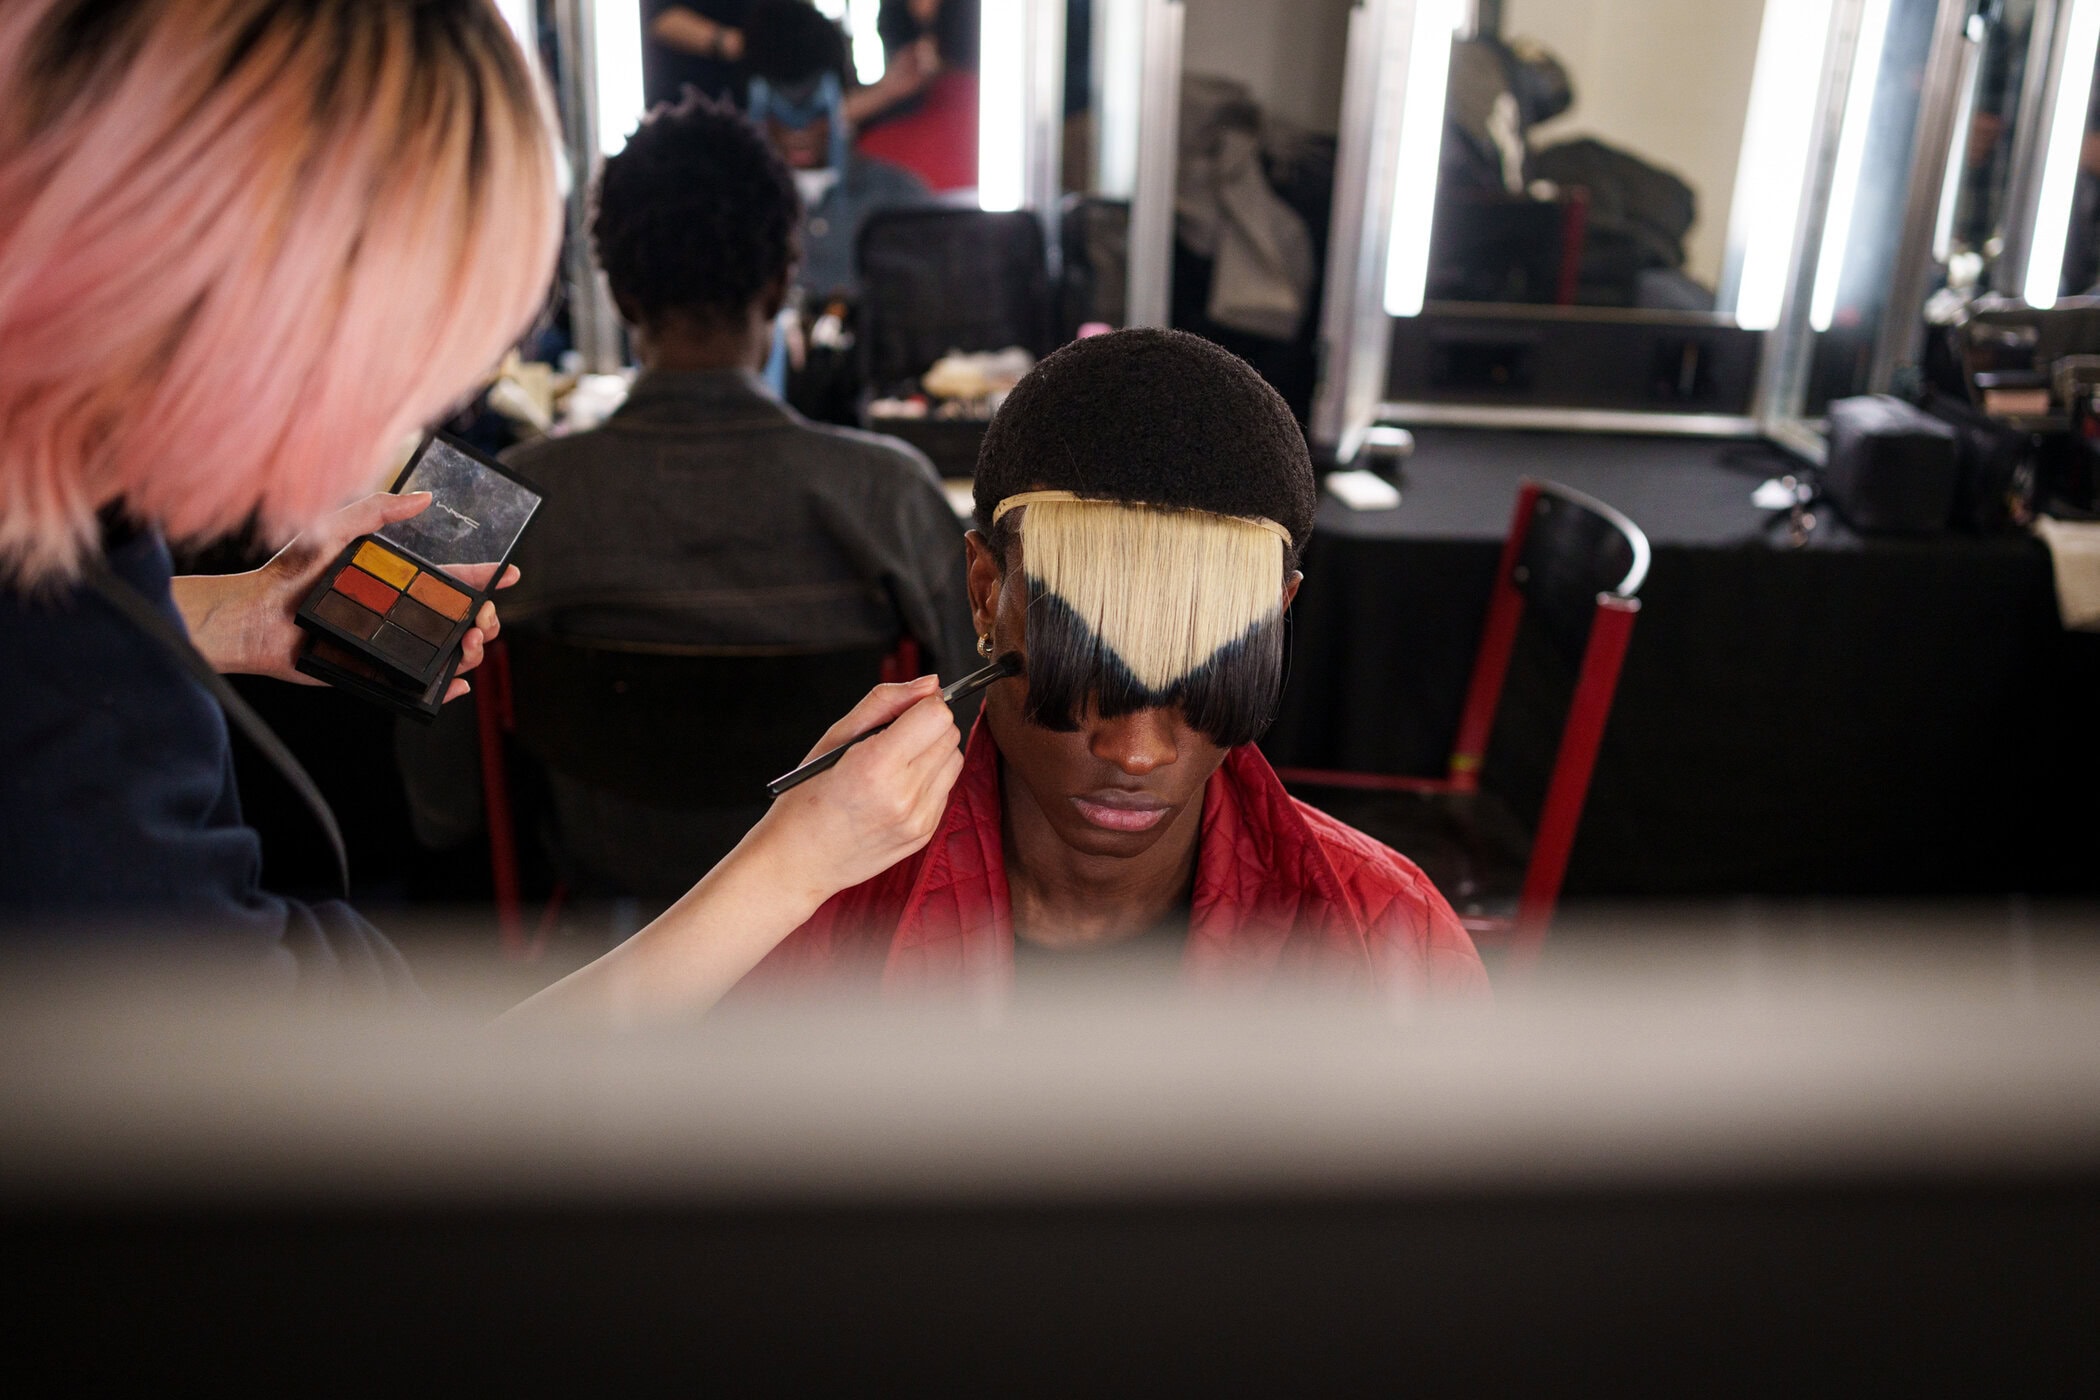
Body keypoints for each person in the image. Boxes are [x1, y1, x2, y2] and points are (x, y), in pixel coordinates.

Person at [0, 0, 962, 1022]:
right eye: (409, 351)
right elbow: (360, 1106)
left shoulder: (83, 581)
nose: (400, 414)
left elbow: (444, 803)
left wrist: (230, 612)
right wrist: (798, 856)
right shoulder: (72, 745)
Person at [753, 330, 1490, 1000]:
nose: (1136, 754)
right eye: (1085, 674)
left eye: (1201, 677)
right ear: (985, 593)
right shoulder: (808, 916)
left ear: (1280, 610)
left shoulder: (1395, 947)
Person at [400, 91, 975, 894]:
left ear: (621, 295)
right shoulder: (893, 495)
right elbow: (970, 737)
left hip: (602, 872)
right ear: (782, 281)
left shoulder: (491, 501)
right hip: (834, 888)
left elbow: (441, 806)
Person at [743, 0, 931, 300]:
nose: (799, 131)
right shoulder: (731, 211)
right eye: (782, 114)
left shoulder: (898, 201)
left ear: (841, 104)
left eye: (814, 112)